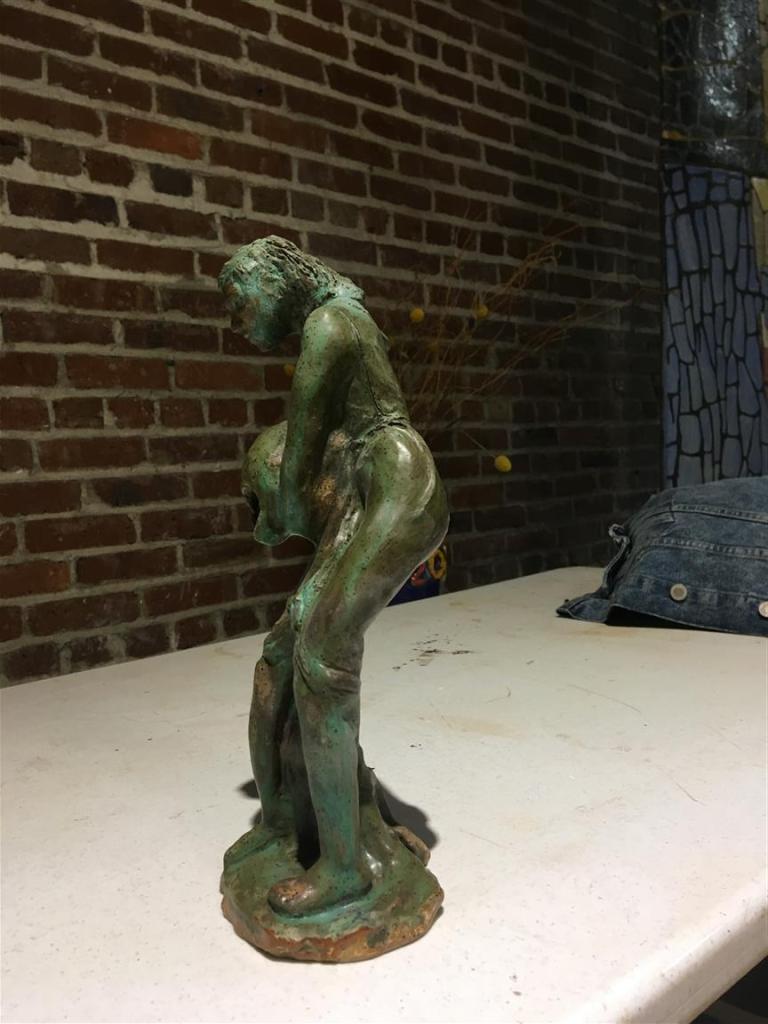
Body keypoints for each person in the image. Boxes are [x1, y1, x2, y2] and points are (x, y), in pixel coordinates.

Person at [219, 237, 449, 917]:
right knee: (284, 652)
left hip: (397, 484)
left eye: (240, 304)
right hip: (364, 489)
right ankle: (290, 823)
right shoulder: (342, 317)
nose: (238, 322)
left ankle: (345, 868)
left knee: (322, 660)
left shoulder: (329, 323)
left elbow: (305, 433)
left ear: (275, 284)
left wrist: (282, 510)